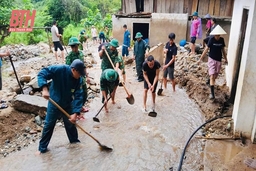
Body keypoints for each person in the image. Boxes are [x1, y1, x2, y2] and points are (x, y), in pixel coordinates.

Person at [36, 59, 85, 154]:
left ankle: (75, 143)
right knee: (49, 125)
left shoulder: (78, 80)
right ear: (74, 70)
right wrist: (44, 89)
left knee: (71, 124)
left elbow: (79, 96)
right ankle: (42, 149)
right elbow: (42, 73)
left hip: (67, 103)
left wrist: (75, 113)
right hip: (54, 102)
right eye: (79, 73)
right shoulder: (60, 69)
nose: (80, 76)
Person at [198, 25, 228, 100]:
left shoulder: (221, 40)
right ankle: (212, 94)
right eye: (216, 35)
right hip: (211, 59)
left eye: (218, 35)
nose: (217, 36)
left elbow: (223, 50)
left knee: (215, 76)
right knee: (212, 76)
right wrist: (200, 58)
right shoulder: (211, 40)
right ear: (214, 34)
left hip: (219, 60)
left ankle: (209, 81)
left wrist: (226, 59)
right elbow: (206, 49)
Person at [65, 37, 89, 112]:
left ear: (78, 46)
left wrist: (87, 76)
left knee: (84, 93)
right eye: (72, 46)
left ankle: (81, 106)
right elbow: (69, 69)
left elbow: (83, 65)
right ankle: (76, 109)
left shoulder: (81, 54)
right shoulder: (69, 56)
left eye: (75, 46)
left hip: (81, 75)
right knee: (76, 94)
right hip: (74, 77)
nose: (74, 48)